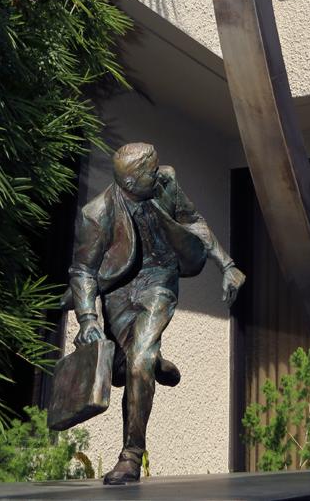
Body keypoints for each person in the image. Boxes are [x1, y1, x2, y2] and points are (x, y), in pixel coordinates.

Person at [64, 141, 245, 485]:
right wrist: (87, 319)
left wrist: (227, 265)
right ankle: (154, 359)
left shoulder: (166, 182)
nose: (158, 174)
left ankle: (131, 455)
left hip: (159, 280)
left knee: (138, 362)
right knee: (121, 370)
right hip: (119, 288)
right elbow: (83, 270)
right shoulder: (96, 213)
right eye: (150, 172)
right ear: (130, 182)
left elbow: (193, 221)